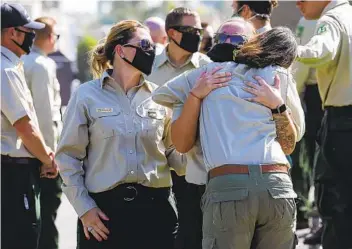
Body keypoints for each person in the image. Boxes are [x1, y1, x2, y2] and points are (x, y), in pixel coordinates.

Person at [153, 27, 305, 249]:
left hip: (227, 188)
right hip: (277, 185)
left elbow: (159, 95)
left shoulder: (205, 75)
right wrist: (277, 106)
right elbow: (292, 141)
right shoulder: (277, 75)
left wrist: (196, 94)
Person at [55, 20, 185, 249]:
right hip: (104, 215)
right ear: (120, 49)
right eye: (144, 44)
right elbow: (68, 158)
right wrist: (85, 209)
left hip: (156, 213)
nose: (151, 50)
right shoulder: (86, 96)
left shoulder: (160, 97)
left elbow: (173, 152)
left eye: (152, 45)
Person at [147, 7, 211, 249]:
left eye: (200, 30)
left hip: (194, 164)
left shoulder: (207, 66)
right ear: (172, 33)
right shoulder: (149, 67)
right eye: (192, 30)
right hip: (156, 164)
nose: (198, 35)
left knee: (193, 233)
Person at [1, 3, 58, 249]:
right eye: (27, 31)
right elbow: (25, 126)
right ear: (13, 32)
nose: (32, 37)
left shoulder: (11, 65)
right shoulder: (6, 69)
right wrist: (47, 158)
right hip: (12, 173)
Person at [295, 1, 352, 248]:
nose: (297, 1)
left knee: (336, 205)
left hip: (343, 125)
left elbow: (320, 52)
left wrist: (286, 49)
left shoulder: (330, 21)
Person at [22, 16, 63, 249]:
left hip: (23, 151)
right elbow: (45, 114)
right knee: (47, 217)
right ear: (49, 37)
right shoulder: (41, 65)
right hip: (41, 152)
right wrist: (49, 156)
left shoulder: (22, 60)